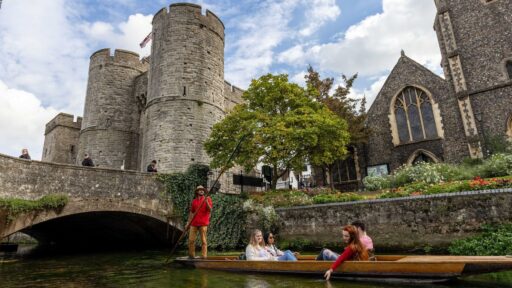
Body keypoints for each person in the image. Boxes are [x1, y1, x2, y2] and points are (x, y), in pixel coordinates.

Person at [188, 185, 213, 259]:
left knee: (204, 241)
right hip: (194, 223)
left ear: (204, 191)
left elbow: (210, 210)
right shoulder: (194, 201)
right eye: (199, 190)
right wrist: (188, 222)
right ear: (197, 192)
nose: (201, 191)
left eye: (202, 190)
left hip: (203, 223)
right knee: (191, 240)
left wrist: (206, 202)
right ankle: (191, 256)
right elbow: (191, 212)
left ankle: (204, 256)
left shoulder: (207, 198)